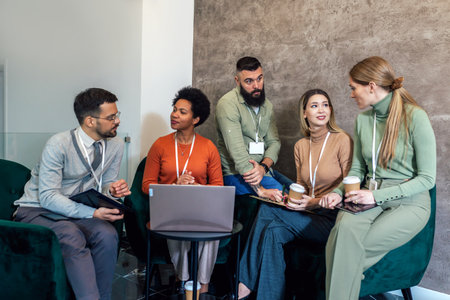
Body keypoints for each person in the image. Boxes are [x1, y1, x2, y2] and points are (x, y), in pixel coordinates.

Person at [319, 56, 436, 300]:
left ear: (371, 86)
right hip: (365, 197)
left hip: (410, 201)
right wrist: (337, 192)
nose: (351, 94)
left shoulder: (415, 116)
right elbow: (357, 170)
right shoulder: (362, 120)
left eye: (353, 88)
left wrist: (375, 195)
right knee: (342, 235)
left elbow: (427, 179)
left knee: (346, 250)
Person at [14, 88, 131, 300]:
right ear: (89, 121)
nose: (117, 121)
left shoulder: (115, 145)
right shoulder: (58, 144)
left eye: (117, 115)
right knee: (70, 234)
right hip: (37, 208)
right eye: (111, 117)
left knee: (108, 234)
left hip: (74, 209)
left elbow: (105, 184)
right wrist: (93, 214)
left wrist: (112, 190)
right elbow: (48, 196)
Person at [238, 89, 353, 300]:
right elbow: (300, 186)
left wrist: (315, 203)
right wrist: (287, 200)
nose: (321, 110)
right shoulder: (301, 146)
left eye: (325, 104)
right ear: (304, 113)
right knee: (273, 230)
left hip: (332, 218)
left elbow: (349, 188)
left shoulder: (342, 140)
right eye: (315, 105)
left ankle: (243, 286)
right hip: (307, 213)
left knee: (266, 211)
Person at [141, 87, 223, 294]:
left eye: (182, 112)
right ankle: (183, 279)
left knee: (213, 230)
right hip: (169, 207)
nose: (174, 115)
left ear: (195, 119)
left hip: (201, 207)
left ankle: (202, 285)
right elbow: (146, 184)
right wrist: (175, 186)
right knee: (177, 225)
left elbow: (218, 187)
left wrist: (196, 187)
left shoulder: (208, 147)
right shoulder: (160, 145)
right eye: (174, 109)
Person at [215, 56, 283, 196]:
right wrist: (261, 190)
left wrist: (263, 168)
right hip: (235, 173)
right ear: (237, 81)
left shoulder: (267, 106)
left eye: (259, 78)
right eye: (249, 81)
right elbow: (238, 154)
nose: (256, 86)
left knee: (294, 192)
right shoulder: (227, 104)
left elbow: (274, 142)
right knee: (279, 194)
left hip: (263, 171)